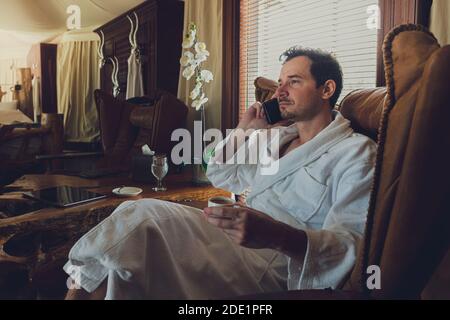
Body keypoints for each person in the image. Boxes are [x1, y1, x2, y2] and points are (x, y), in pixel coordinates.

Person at [64, 47, 377, 300]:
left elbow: (350, 244)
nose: (280, 91)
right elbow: (220, 173)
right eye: (280, 82)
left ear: (327, 89)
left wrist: (275, 234)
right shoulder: (275, 137)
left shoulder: (356, 153)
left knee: (143, 217)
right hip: (233, 243)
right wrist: (245, 129)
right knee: (127, 258)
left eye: (293, 81)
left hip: (278, 264)